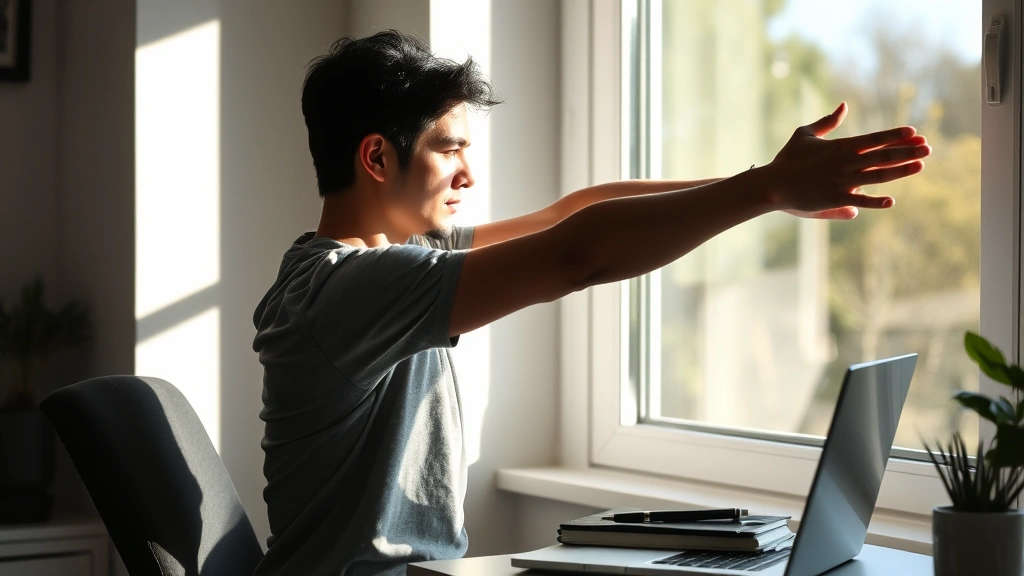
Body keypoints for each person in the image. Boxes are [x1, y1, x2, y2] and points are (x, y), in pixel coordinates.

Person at [251, 30, 931, 575]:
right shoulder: (345, 290)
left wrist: (767, 187)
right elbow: (577, 254)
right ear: (377, 158)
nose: (469, 174)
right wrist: (763, 191)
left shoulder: (399, 259)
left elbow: (573, 213)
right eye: (449, 149)